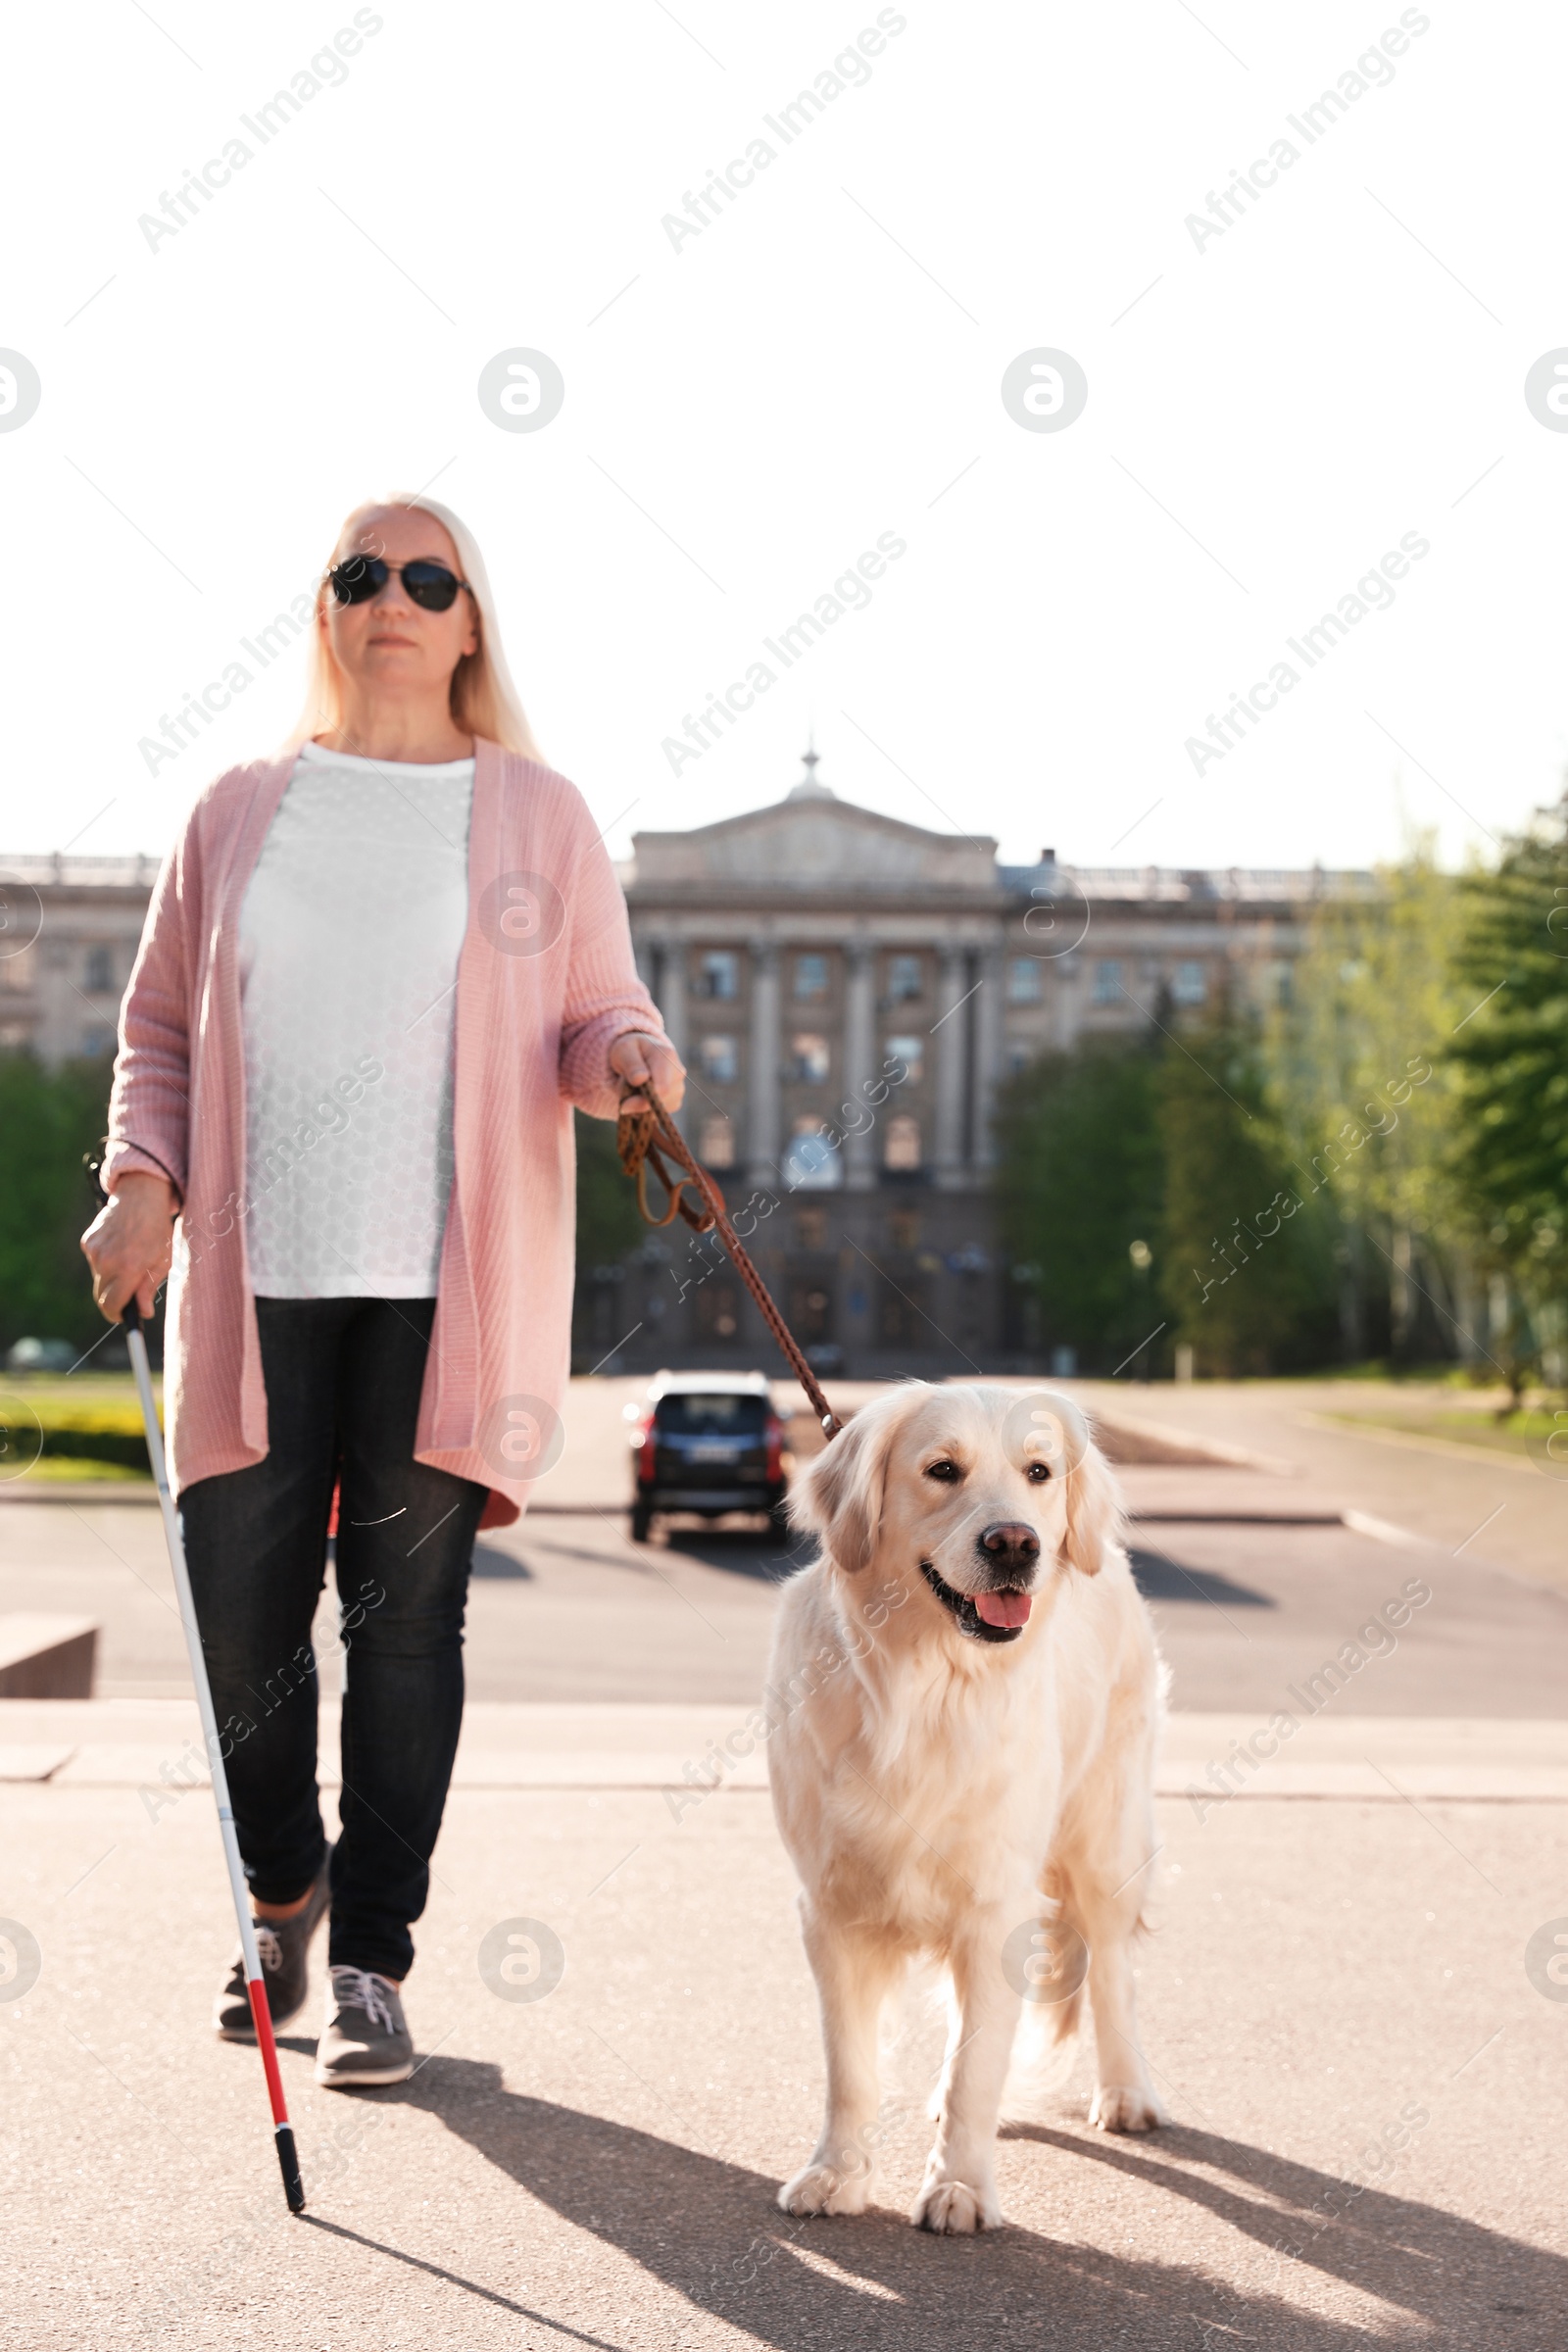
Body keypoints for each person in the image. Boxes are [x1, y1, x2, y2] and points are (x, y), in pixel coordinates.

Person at [81, 494, 684, 2086]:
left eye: (431, 577)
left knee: (407, 1631)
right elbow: (159, 1038)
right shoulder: (237, 811)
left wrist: (627, 1057)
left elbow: (589, 1007)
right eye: (361, 574)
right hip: (256, 1287)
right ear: (329, 614)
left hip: (449, 1293)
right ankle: (284, 1891)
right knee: (241, 1637)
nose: (394, 597)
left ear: (473, 621)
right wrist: (138, 1185)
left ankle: (373, 1961)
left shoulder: (536, 815)